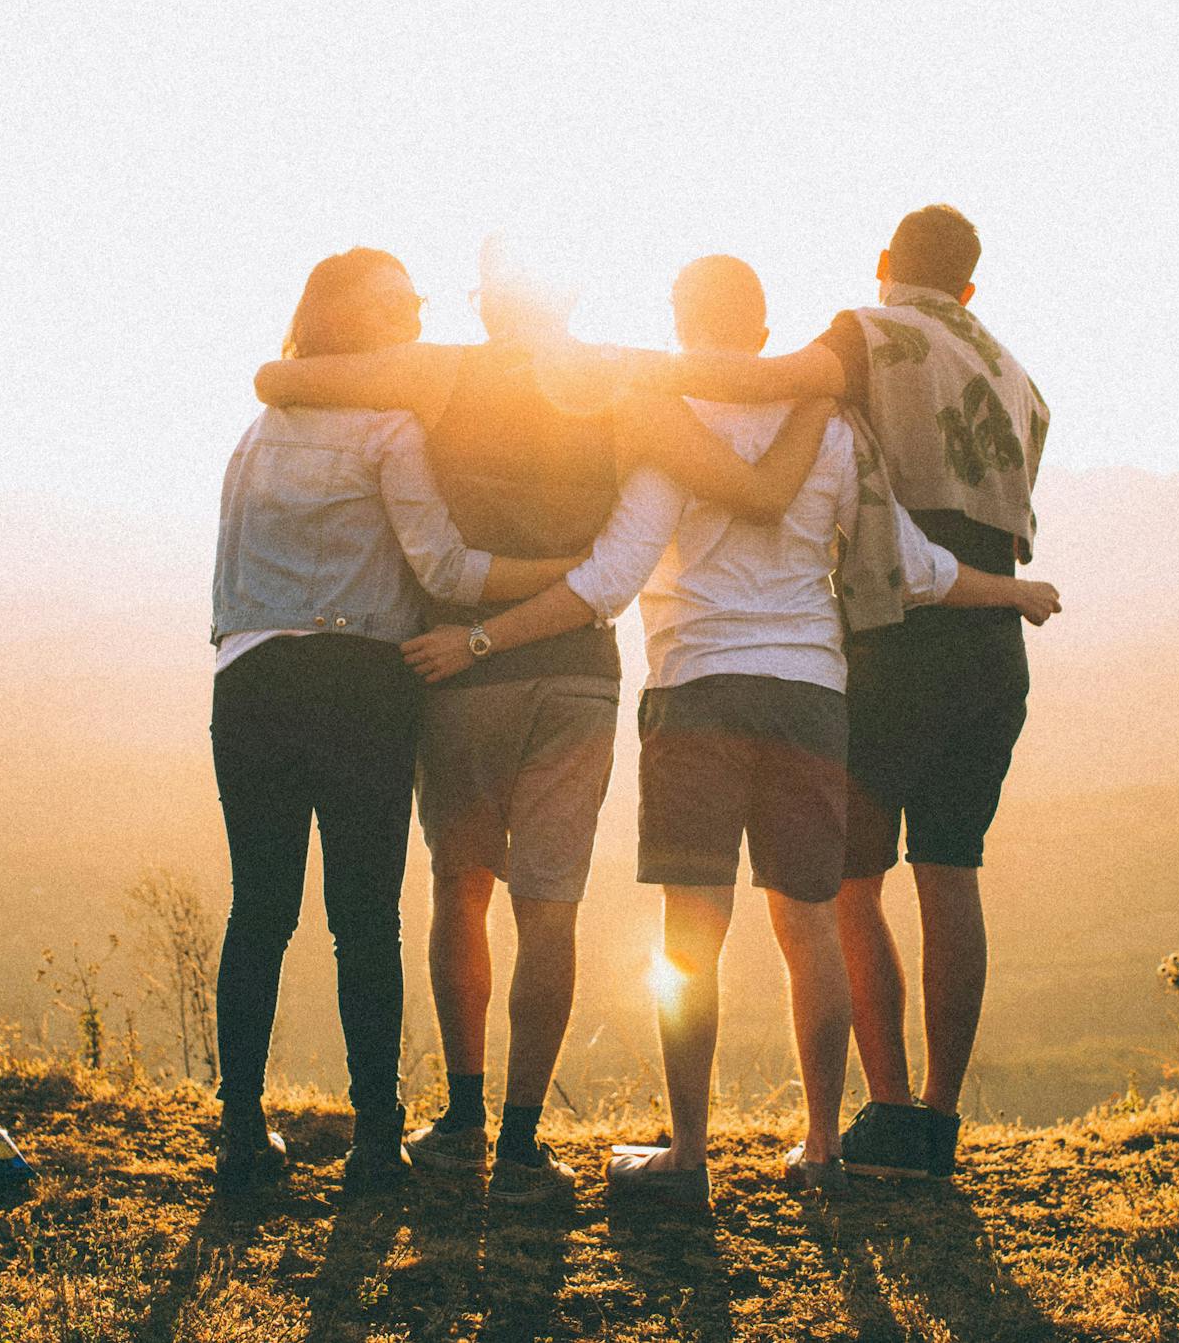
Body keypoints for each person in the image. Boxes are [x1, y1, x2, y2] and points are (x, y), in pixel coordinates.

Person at [407, 255, 1057, 1201]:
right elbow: (913, 566)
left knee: (691, 937)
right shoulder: (832, 429)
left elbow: (609, 579)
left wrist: (481, 638)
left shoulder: (669, 426)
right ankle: (825, 1147)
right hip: (811, 697)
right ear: (763, 332)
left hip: (698, 692)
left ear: (680, 323)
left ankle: (688, 1157)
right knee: (810, 931)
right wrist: (1016, 592)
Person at [250, 239, 821, 1202]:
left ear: (484, 305)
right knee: (549, 907)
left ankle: (461, 1116)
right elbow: (749, 487)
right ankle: (521, 1144)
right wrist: (818, 388)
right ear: (572, 293)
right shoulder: (627, 387)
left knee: (459, 888)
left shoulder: (439, 375)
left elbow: (282, 379)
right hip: (576, 676)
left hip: (459, 669)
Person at [634, 206, 1053, 1182]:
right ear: (971, 286)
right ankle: (932, 1125)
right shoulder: (1018, 376)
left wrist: (623, 371)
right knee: (951, 872)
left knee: (843, 889)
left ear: (883, 265)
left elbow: (768, 382)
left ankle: (884, 1110)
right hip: (988, 638)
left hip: (893, 634)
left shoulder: (868, 334)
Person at [206, 247, 583, 1192]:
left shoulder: (257, 432)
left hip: (249, 679)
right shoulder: (388, 427)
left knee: (260, 908)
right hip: (359, 684)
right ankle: (377, 1140)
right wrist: (569, 576)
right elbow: (447, 572)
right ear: (357, 322)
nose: (417, 312)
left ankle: (241, 1133)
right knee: (363, 917)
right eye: (399, 302)